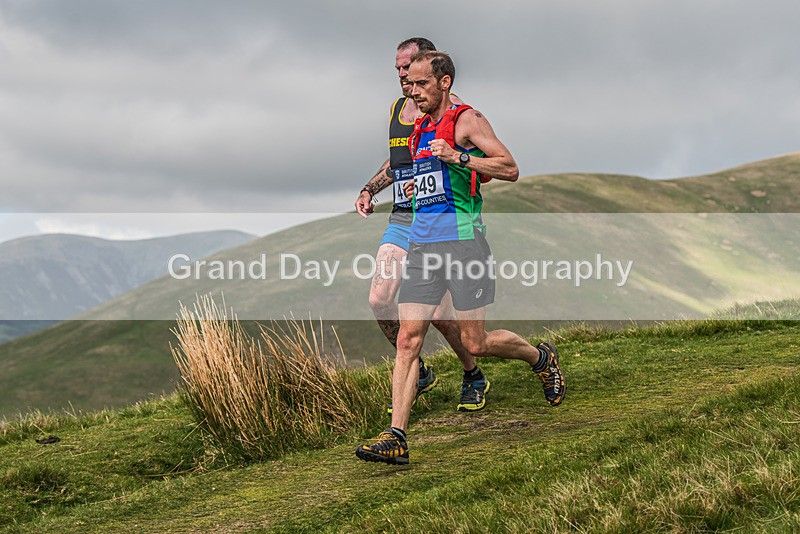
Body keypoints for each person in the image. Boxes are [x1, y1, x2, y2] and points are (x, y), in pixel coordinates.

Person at [356, 51, 566, 465]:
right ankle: (397, 435)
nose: (411, 91)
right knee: (407, 339)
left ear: (445, 82)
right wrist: (416, 187)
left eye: (420, 84)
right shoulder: (416, 128)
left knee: (476, 341)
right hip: (423, 245)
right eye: (409, 84)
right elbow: (422, 176)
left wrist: (459, 156)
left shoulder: (468, 120)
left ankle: (540, 357)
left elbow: (510, 168)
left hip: (465, 244)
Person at [355, 38, 490, 413]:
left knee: (444, 317)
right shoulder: (399, 109)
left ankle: (472, 373)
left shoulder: (453, 112)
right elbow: (398, 160)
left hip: (439, 219)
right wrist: (369, 188)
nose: (402, 76)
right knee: (379, 298)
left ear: (429, 68)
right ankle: (417, 366)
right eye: (398, 69)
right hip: (402, 216)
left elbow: (480, 166)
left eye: (409, 68)